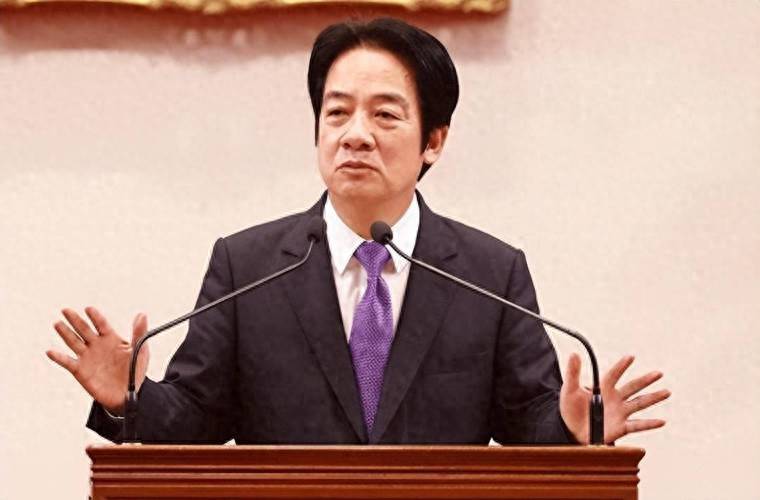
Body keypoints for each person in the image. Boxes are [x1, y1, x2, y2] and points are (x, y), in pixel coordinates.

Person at [46, 18, 669, 445]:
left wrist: (576, 428)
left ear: (434, 141)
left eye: (385, 114)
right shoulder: (248, 266)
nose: (356, 134)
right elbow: (195, 421)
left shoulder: (489, 274)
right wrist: (128, 397)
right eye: (337, 112)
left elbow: (530, 419)